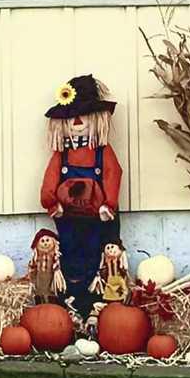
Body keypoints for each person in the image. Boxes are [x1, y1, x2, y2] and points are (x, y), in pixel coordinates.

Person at [38, 75, 123, 315]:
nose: (77, 121)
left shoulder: (101, 152)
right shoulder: (62, 155)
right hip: (69, 218)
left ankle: (99, 305)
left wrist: (109, 204)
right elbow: (50, 178)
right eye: (71, 116)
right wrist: (51, 202)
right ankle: (71, 301)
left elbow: (112, 173)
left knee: (100, 255)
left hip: (98, 217)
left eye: (83, 116)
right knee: (70, 254)